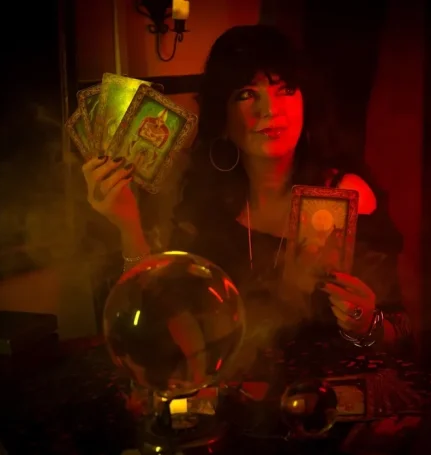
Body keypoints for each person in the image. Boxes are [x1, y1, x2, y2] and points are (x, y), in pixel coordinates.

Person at [82, 25, 410, 358]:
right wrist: (127, 224)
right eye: (246, 94)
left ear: (305, 103)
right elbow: (160, 324)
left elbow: (399, 329)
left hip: (329, 384)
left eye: (285, 89)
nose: (269, 109)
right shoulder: (205, 199)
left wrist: (365, 325)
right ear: (222, 117)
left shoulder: (346, 194)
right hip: (230, 383)